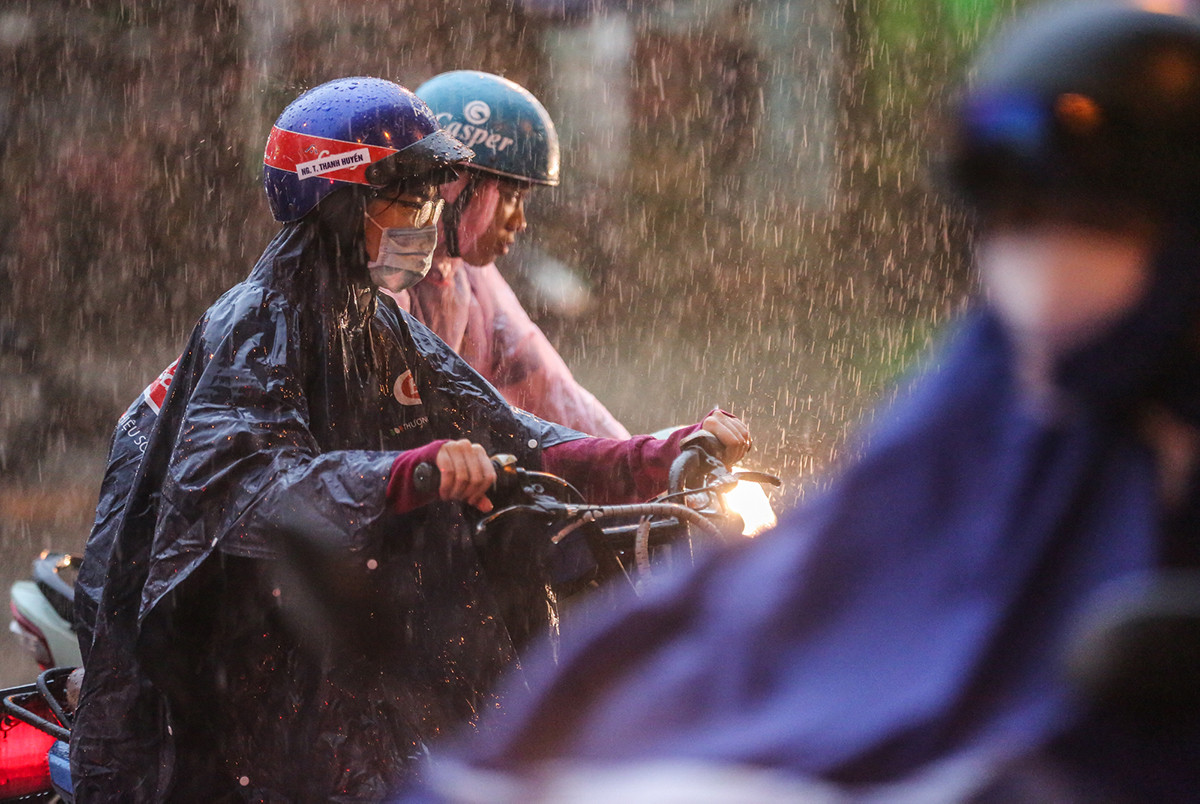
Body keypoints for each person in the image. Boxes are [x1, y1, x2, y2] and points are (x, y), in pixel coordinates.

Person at [403, 3, 1200, 801]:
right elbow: (802, 573)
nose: (1040, 250)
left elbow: (547, 409)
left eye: (1089, 218)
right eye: (1015, 216)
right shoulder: (990, 381)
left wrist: (657, 453)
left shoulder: (1047, 391)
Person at [69, 76, 750, 802]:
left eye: (431, 198)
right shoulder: (256, 322)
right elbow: (247, 488)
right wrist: (405, 475)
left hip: (325, 613)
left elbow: (510, 432)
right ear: (340, 203)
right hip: (226, 637)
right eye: (407, 197)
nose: (425, 218)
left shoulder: (377, 317)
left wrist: (657, 454)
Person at [389, 70, 630, 440]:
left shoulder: (468, 278)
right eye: (511, 196)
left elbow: (555, 395)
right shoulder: (381, 279)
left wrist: (647, 456)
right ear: (453, 185)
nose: (520, 222)